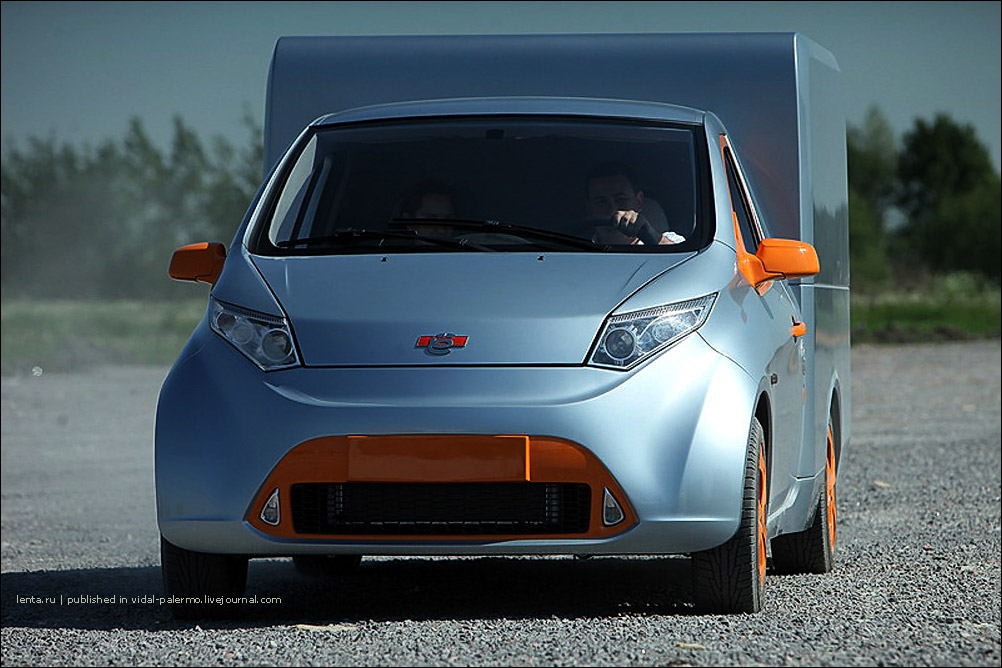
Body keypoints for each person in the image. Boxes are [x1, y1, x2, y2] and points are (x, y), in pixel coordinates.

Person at [585, 162, 685, 246]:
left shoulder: (675, 244)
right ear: (589, 208)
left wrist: (651, 236)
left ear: (639, 201)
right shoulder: (578, 251)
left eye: (621, 199)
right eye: (601, 202)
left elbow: (679, 259)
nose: (612, 211)